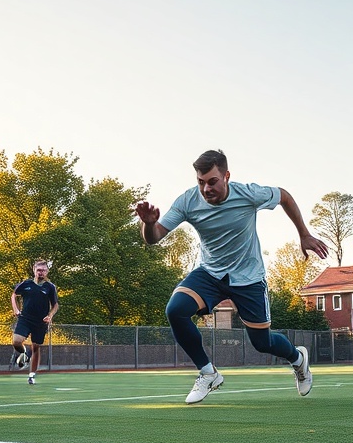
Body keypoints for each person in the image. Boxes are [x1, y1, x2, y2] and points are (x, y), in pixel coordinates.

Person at [134, 149, 328, 404]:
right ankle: (208, 373)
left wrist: (304, 234)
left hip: (248, 277)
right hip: (211, 273)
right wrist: (148, 223)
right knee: (176, 309)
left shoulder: (248, 194)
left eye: (212, 182)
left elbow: (285, 196)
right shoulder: (187, 201)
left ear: (226, 176)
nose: (206, 189)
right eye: (201, 182)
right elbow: (155, 237)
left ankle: (298, 358)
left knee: (262, 343)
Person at [9, 259, 58, 385]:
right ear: (34, 270)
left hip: (40, 322)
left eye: (44, 270)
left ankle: (31, 375)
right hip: (25, 318)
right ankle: (24, 354)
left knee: (36, 347)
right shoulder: (26, 284)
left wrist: (50, 316)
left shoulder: (50, 287)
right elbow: (14, 295)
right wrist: (15, 309)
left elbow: (55, 305)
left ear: (47, 272)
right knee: (16, 341)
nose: (41, 272)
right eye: (39, 270)